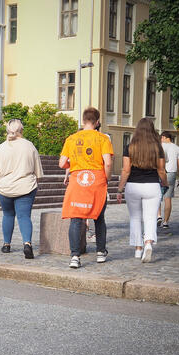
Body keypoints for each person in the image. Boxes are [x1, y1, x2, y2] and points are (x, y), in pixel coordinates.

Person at [59, 107, 113, 269]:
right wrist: (107, 177)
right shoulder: (103, 139)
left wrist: (74, 165)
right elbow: (108, 162)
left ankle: (75, 256)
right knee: (98, 217)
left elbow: (62, 163)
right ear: (97, 122)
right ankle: (100, 252)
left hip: (77, 181)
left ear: (83, 121)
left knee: (76, 219)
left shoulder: (71, 139)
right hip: (96, 180)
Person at [0, 119, 43, 258]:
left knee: (8, 215)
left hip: (4, 188)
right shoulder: (30, 146)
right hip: (25, 187)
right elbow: (38, 173)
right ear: (21, 131)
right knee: (24, 216)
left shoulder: (1, 148)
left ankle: (6, 245)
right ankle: (27, 244)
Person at [116, 118, 168, 262]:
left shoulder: (130, 146)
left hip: (133, 186)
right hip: (152, 186)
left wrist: (120, 189)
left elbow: (126, 171)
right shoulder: (158, 147)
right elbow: (161, 170)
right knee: (150, 217)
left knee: (135, 218)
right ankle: (148, 243)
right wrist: (165, 183)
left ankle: (138, 249)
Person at [157, 131, 179, 229]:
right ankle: (165, 222)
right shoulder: (178, 148)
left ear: (164, 137)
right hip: (172, 174)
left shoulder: (160, 146)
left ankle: (159, 216)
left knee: (157, 195)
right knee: (168, 198)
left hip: (160, 172)